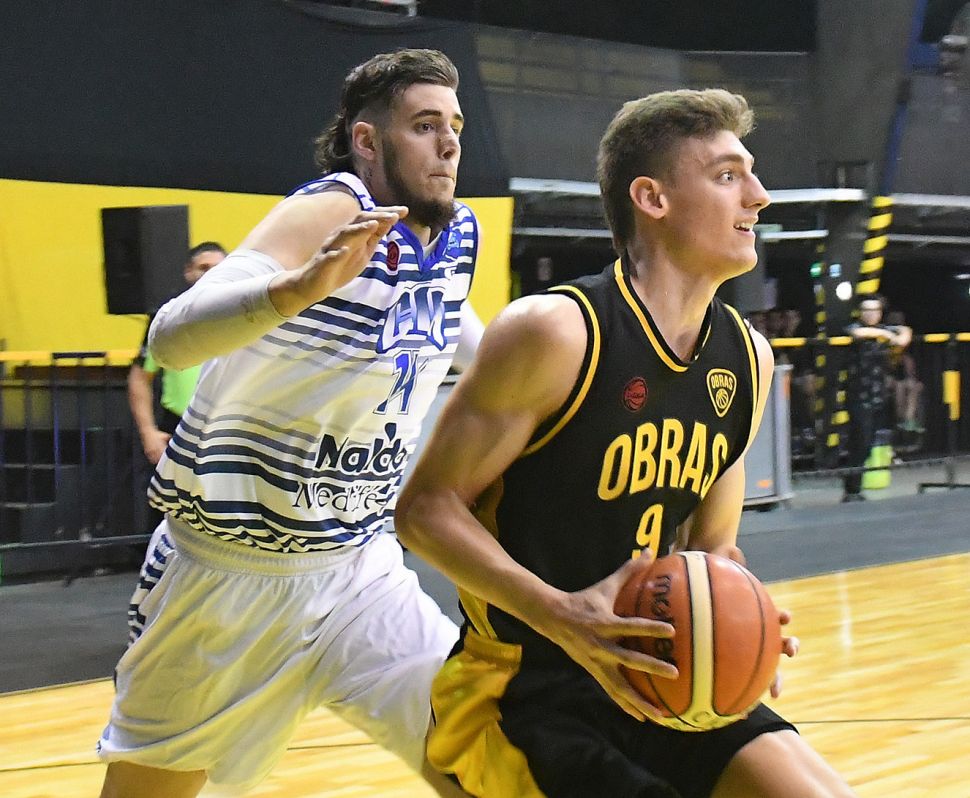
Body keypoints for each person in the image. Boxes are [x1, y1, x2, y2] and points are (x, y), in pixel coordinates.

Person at [396, 89, 855, 797]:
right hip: (527, 688)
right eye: (728, 175)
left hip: (657, 672)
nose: (759, 197)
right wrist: (563, 615)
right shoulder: (557, 332)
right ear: (652, 197)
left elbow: (713, 551)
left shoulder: (748, 359)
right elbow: (424, 511)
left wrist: (741, 621)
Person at [98, 48, 481, 798]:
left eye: (456, 127)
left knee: (479, 760)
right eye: (425, 125)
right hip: (228, 574)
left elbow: (474, 342)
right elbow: (170, 337)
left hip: (359, 570)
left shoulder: (454, 232)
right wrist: (297, 287)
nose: (448, 145)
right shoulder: (332, 208)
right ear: (367, 140)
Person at [127, 242, 226, 531]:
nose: (210, 274)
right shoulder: (168, 316)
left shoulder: (245, 313)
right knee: (167, 516)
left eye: (218, 268)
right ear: (188, 272)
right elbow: (139, 377)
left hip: (226, 429)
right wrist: (148, 433)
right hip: (179, 428)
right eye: (203, 268)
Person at [842, 294, 912, 501]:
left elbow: (905, 333)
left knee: (870, 443)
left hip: (878, 395)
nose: (871, 314)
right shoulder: (855, 327)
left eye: (875, 310)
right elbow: (857, 332)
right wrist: (886, 335)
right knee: (860, 441)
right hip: (858, 395)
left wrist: (892, 335)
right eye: (867, 310)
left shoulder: (885, 329)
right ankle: (852, 488)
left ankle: (854, 486)